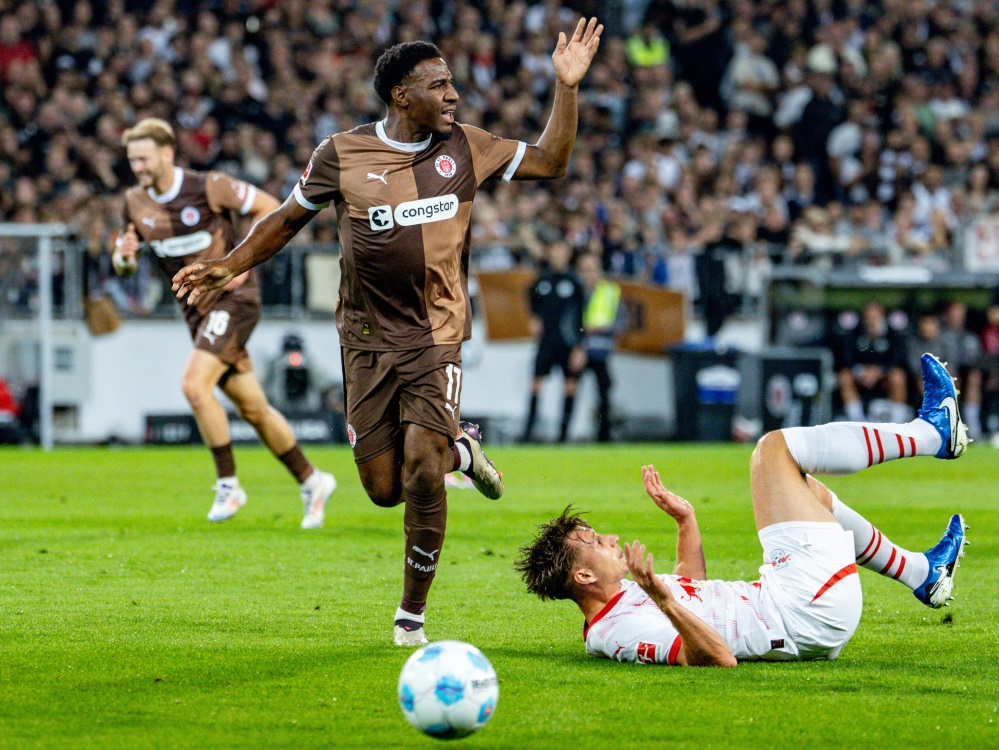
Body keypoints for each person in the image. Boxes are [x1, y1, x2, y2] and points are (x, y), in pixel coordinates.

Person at [172, 20, 604, 646]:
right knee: (383, 489)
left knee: (423, 471)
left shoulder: (466, 145)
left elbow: (551, 161)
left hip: (437, 337)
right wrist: (229, 265)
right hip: (366, 340)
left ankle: (411, 617)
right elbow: (286, 220)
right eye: (439, 85)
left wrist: (566, 89)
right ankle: (466, 449)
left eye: (452, 83)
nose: (454, 95)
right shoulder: (341, 154)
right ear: (402, 95)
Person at [516, 353, 968, 666]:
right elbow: (716, 656)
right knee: (773, 451)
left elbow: (692, 591)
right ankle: (931, 434)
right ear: (583, 577)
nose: (609, 538)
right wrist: (659, 595)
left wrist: (685, 521)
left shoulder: (619, 602)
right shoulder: (616, 632)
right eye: (595, 542)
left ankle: (921, 572)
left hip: (797, 608)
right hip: (800, 611)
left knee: (805, 488)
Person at [113, 118, 337, 529]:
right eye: (132, 160)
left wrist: (241, 262)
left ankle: (229, 485)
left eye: (143, 159)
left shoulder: (209, 185)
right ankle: (312, 480)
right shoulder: (134, 202)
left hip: (236, 300)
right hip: (197, 313)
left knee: (194, 387)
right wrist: (124, 257)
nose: (138, 167)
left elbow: (273, 207)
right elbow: (123, 264)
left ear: (167, 153)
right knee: (254, 408)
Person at [521, 240, 587, 443]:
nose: (558, 255)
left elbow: (581, 318)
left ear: (568, 255)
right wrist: (533, 317)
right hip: (546, 342)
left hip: (568, 343)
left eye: (562, 251)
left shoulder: (575, 283)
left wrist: (580, 346)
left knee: (569, 387)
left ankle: (563, 436)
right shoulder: (542, 280)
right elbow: (530, 300)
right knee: (535, 385)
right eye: (555, 250)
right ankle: (528, 434)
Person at [836, 301, 910, 423]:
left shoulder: (892, 334)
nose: (872, 321)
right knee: (844, 376)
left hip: (884, 376)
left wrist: (879, 371)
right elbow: (847, 357)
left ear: (883, 317)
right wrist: (861, 371)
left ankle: (898, 421)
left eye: (875, 317)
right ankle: (857, 420)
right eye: (868, 317)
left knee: (898, 376)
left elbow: (897, 358)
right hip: (861, 375)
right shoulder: (855, 334)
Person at [577, 252, 625, 442]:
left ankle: (604, 434)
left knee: (604, 392)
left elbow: (621, 323)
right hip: (579, 349)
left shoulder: (610, 291)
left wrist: (602, 328)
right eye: (584, 270)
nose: (588, 274)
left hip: (601, 350)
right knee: (571, 390)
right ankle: (564, 434)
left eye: (592, 270)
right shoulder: (576, 291)